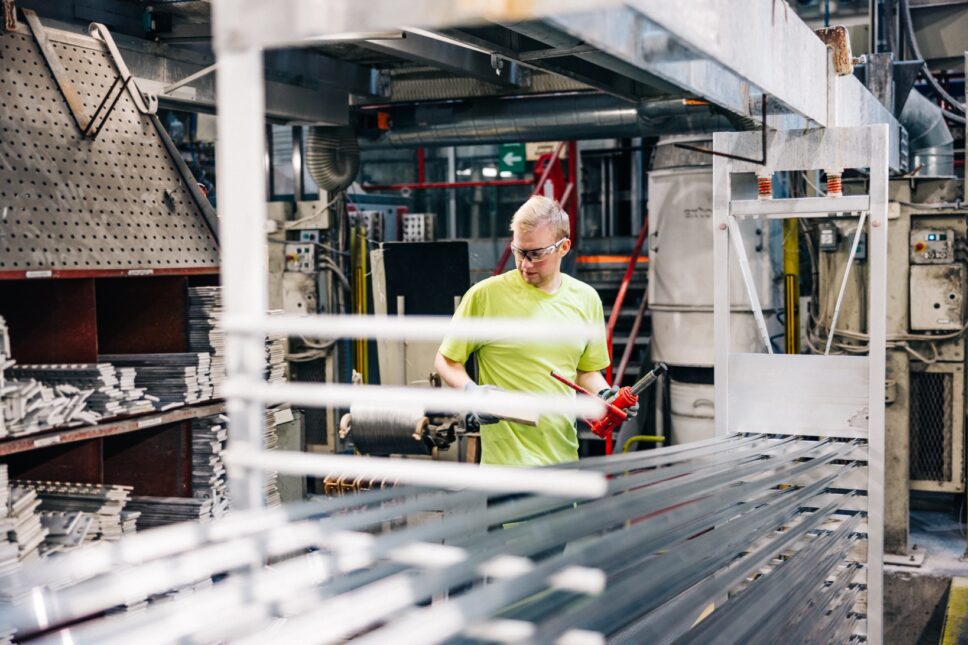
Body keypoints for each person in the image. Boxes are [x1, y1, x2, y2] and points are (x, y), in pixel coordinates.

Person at [435, 195, 634, 466]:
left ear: (563, 247)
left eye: (536, 254)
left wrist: (607, 396)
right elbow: (446, 360)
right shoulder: (485, 296)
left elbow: (586, 371)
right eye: (519, 252)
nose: (525, 264)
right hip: (506, 468)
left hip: (563, 460)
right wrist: (472, 392)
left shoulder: (586, 299)